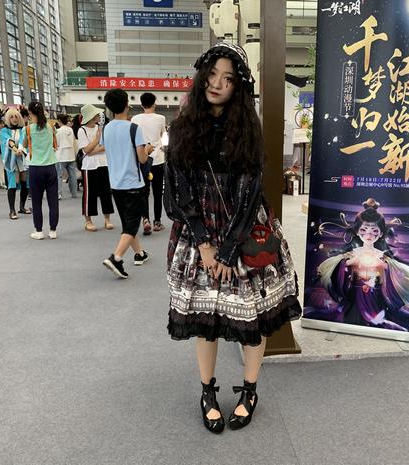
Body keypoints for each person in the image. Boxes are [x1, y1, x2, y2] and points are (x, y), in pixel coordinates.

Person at [164, 42, 302, 433]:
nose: (217, 84)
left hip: (243, 233)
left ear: (238, 86)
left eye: (227, 78)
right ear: (201, 77)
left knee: (252, 319)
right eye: (212, 75)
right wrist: (205, 244)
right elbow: (177, 190)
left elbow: (251, 192)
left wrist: (226, 251)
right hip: (198, 236)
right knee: (204, 320)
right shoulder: (182, 127)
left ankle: (250, 390)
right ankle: (207, 392)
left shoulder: (247, 129)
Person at [316, 198, 409, 333]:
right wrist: (348, 263)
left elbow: (407, 273)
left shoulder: (382, 257)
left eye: (374, 231)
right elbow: (324, 268)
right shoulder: (351, 254)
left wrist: (385, 266)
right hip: (355, 297)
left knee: (385, 323)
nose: (369, 235)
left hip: (376, 298)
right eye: (364, 230)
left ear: (381, 233)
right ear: (357, 231)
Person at [101, 89, 153, 278]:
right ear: (126, 105)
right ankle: (116, 258)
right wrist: (148, 149)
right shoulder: (134, 128)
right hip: (133, 183)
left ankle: (139, 253)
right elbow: (142, 158)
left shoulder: (106, 128)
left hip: (115, 184)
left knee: (127, 223)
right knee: (131, 225)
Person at [22, 101, 59, 240]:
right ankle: (53, 230)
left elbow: (25, 145)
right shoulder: (50, 127)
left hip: (35, 168)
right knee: (53, 200)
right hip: (51, 167)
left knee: (36, 201)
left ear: (30, 113)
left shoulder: (28, 129)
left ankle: (39, 231)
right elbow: (55, 143)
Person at [131, 92, 167, 234]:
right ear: (154, 104)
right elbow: (163, 136)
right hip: (158, 159)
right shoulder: (161, 118)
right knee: (158, 192)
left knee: (144, 192)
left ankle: (145, 219)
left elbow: (134, 138)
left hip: (142, 159)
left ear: (141, 104)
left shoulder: (135, 119)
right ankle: (157, 221)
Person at [78, 104, 114, 232]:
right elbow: (86, 151)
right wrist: (97, 140)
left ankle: (107, 219)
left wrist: (94, 148)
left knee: (106, 192)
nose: (99, 116)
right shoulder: (82, 130)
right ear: (91, 116)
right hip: (89, 166)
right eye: (97, 114)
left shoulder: (101, 128)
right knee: (89, 193)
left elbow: (107, 146)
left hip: (103, 163)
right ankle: (88, 221)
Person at [0, 109, 30, 219]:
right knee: (13, 184)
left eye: (16, 116)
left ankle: (22, 207)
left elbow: (23, 140)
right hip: (11, 160)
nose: (14, 119)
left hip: (22, 159)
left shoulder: (23, 129)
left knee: (25, 183)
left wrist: (20, 150)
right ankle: (12, 210)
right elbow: (7, 140)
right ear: (8, 119)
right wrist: (14, 148)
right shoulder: (4, 130)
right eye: (12, 117)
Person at [55, 114, 78, 199]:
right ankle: (74, 193)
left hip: (61, 156)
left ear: (59, 121)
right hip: (71, 155)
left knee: (59, 176)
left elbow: (56, 144)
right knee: (72, 176)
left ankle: (59, 193)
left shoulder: (58, 131)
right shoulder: (70, 130)